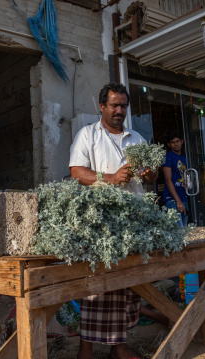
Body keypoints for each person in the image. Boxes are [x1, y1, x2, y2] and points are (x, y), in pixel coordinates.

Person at [69, 83, 158, 359]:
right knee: (95, 287)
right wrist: (110, 178)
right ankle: (86, 350)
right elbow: (76, 172)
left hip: (133, 223)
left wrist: (148, 174)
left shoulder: (137, 139)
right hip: (102, 225)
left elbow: (152, 177)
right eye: (114, 105)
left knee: (127, 286)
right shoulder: (87, 135)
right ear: (102, 107)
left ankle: (119, 349)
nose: (119, 110)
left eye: (123, 106)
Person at [162, 131, 188, 228]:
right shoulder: (168, 157)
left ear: (182, 141)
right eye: (173, 142)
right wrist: (178, 201)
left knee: (184, 231)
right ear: (169, 144)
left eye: (177, 141)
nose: (176, 144)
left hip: (183, 197)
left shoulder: (185, 157)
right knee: (178, 231)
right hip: (172, 200)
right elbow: (168, 181)